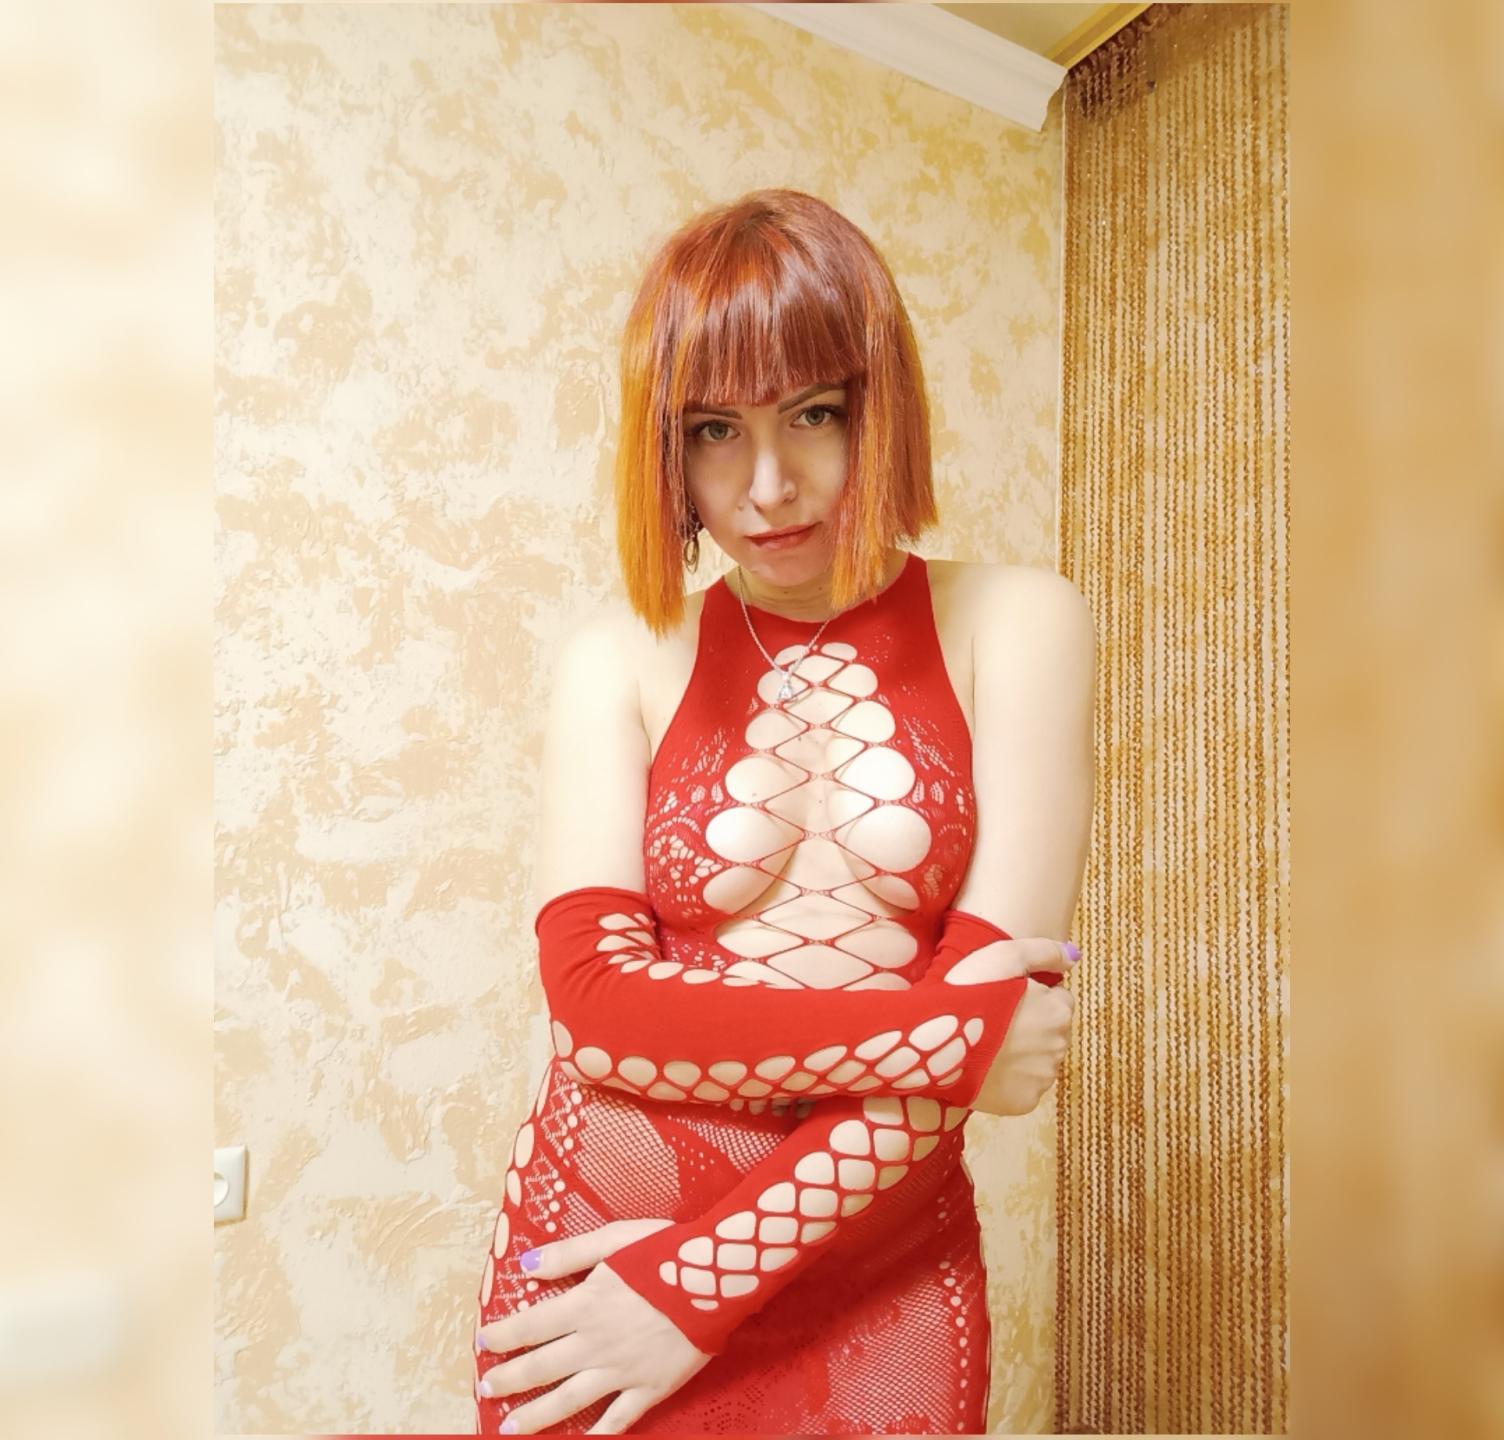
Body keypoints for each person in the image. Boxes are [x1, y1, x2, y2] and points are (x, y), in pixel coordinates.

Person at [472, 189, 1093, 1435]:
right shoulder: (616, 655)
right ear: (669, 453)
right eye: (714, 430)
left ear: (882, 406)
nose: (767, 485)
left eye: (814, 413)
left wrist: (694, 1287)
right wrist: (958, 1039)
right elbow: (594, 1011)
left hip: (875, 1261)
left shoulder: (1019, 619)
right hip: (606, 1239)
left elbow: (998, 996)